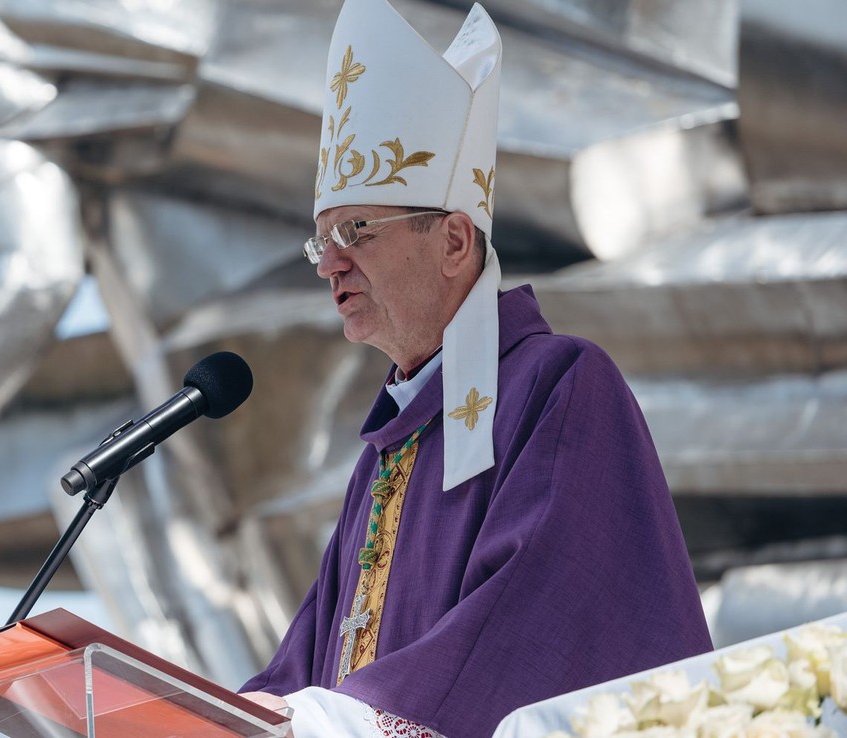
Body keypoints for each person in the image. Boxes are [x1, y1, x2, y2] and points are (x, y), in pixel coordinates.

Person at [239, 1, 713, 736]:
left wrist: (343, 719)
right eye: (321, 241)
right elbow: (301, 670)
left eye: (356, 230)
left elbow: (537, 620)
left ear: (456, 241)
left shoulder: (558, 385)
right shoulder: (385, 453)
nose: (330, 262)